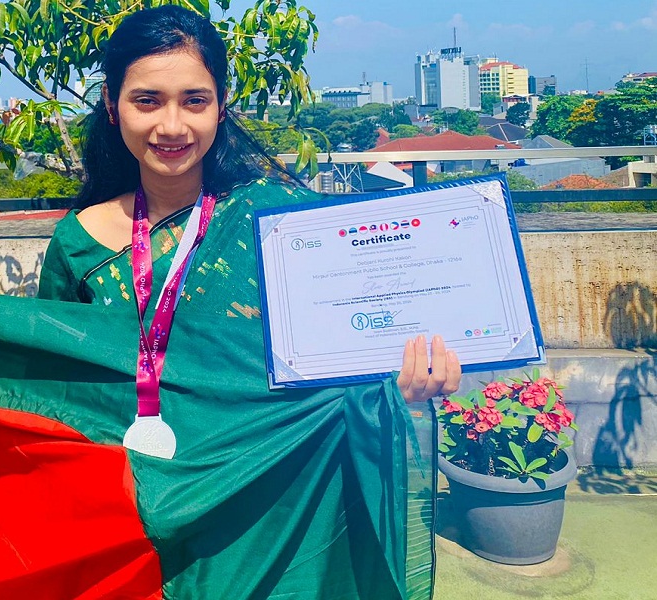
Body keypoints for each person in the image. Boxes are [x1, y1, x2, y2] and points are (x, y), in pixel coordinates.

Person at [37, 5, 461, 599]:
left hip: (270, 502)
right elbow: (55, 392)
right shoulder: (78, 244)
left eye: (195, 100)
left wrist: (409, 379)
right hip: (129, 510)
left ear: (221, 103)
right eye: (147, 100)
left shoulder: (285, 223)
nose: (172, 125)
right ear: (113, 106)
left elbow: (351, 354)